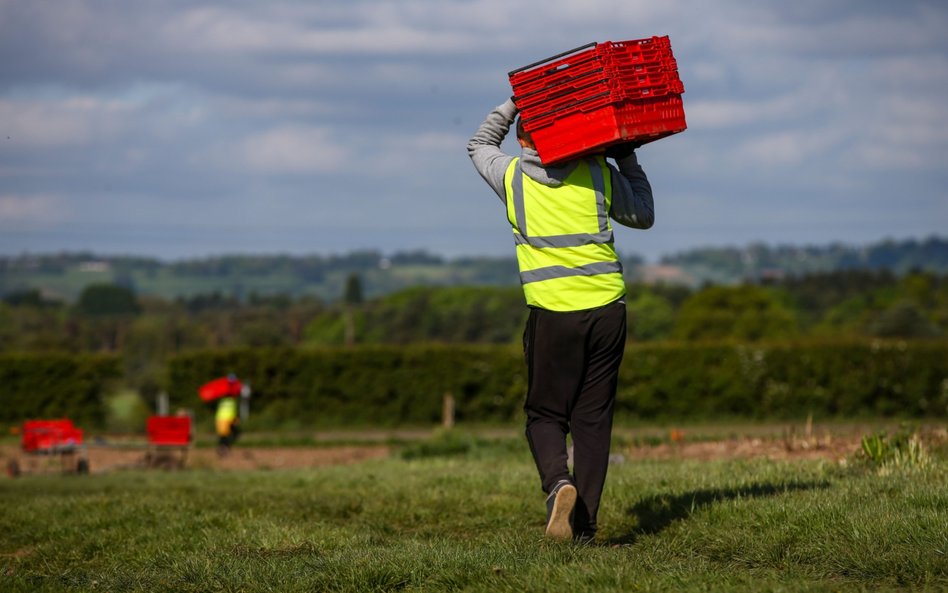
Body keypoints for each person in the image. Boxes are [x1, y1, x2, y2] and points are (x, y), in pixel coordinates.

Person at [467, 97, 655, 542]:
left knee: (545, 414)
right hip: (608, 308)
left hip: (552, 313)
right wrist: (625, 153)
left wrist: (515, 101)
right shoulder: (598, 173)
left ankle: (558, 485)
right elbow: (644, 215)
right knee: (593, 419)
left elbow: (478, 144)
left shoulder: (512, 177)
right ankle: (585, 529)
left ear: (522, 138)